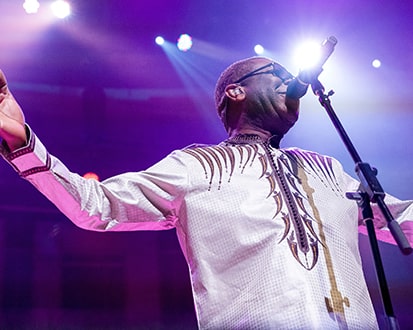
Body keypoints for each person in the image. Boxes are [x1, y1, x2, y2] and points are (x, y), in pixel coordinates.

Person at [0, 56, 412, 329]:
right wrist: (23, 146)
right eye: (278, 75)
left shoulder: (329, 170)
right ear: (236, 91)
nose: (292, 83)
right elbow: (96, 206)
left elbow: (403, 221)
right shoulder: (195, 166)